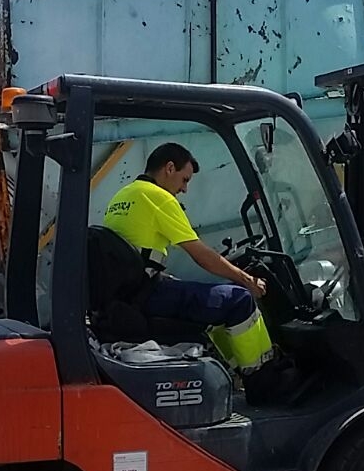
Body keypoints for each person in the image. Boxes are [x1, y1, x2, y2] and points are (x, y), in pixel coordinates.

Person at [103, 142, 289, 402]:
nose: (184, 189)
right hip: (146, 295)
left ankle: (234, 374)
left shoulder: (123, 195)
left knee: (210, 304)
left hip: (128, 294)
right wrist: (246, 279)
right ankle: (264, 382)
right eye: (184, 179)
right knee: (238, 299)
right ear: (169, 168)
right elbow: (200, 254)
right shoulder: (158, 197)